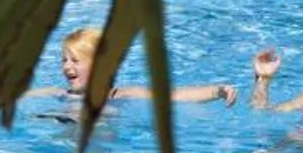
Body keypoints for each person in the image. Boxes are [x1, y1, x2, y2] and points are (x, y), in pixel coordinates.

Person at [50, 27, 235, 106]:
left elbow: (173, 96)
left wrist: (217, 91)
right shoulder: (59, 94)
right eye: (64, 60)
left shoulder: (120, 95)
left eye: (75, 60)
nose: (67, 66)